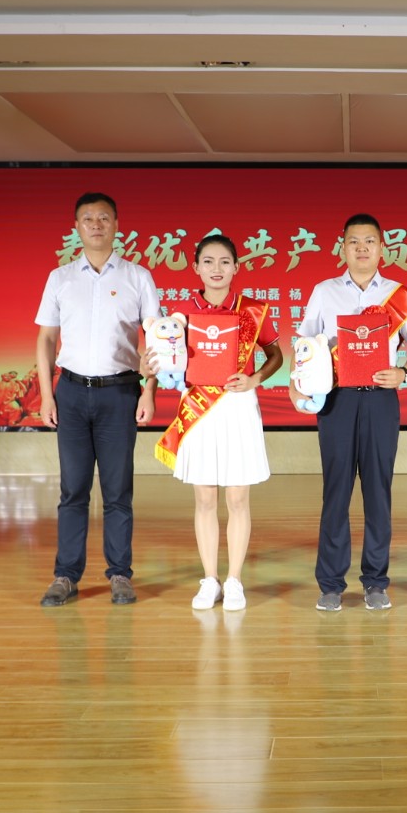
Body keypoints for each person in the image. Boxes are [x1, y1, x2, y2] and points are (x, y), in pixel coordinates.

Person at [289, 213, 407, 611]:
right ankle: (331, 583)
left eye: (369, 241)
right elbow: (304, 344)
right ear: (343, 247)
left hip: (381, 400)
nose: (362, 248)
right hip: (338, 400)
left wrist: (404, 372)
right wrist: (298, 384)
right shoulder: (324, 291)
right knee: (336, 490)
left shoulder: (399, 295)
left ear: (382, 247)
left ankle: (376, 581)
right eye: (354, 241)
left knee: (378, 492)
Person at [34, 192, 160, 607]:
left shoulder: (137, 277)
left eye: (104, 218)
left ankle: (120, 574)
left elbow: (156, 340)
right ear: (77, 227)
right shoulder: (60, 278)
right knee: (73, 490)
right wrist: (47, 394)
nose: (96, 225)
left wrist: (149, 391)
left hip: (120, 393)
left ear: (116, 225)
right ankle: (66, 576)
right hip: (70, 393)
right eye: (87, 218)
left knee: (118, 491)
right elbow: (46, 338)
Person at [150, 234, 283, 611]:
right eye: (208, 262)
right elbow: (165, 357)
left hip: (238, 405)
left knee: (238, 498)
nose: (217, 269)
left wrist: (255, 379)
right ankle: (210, 579)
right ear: (196, 267)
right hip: (198, 409)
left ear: (236, 267)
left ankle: (235, 580)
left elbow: (275, 354)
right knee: (205, 498)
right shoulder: (181, 314)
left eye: (225, 262)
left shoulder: (252, 310)